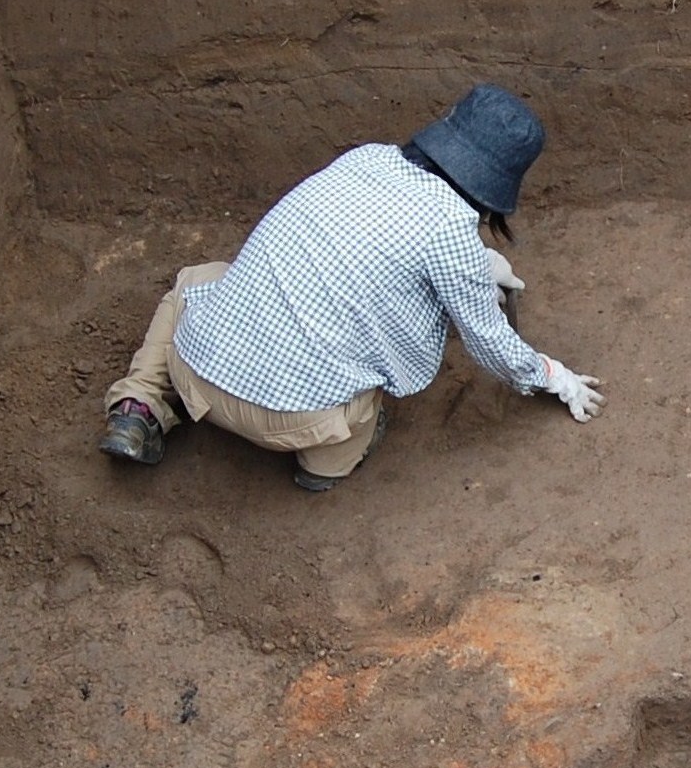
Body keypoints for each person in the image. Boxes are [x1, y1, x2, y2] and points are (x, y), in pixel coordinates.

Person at [96, 83, 604, 490]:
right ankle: (322, 469)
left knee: (196, 280)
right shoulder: (450, 232)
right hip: (290, 423)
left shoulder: (367, 158)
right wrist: (554, 375)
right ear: (499, 182)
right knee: (362, 417)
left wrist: (474, 262)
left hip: (194, 369)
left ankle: (138, 405)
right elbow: (489, 341)